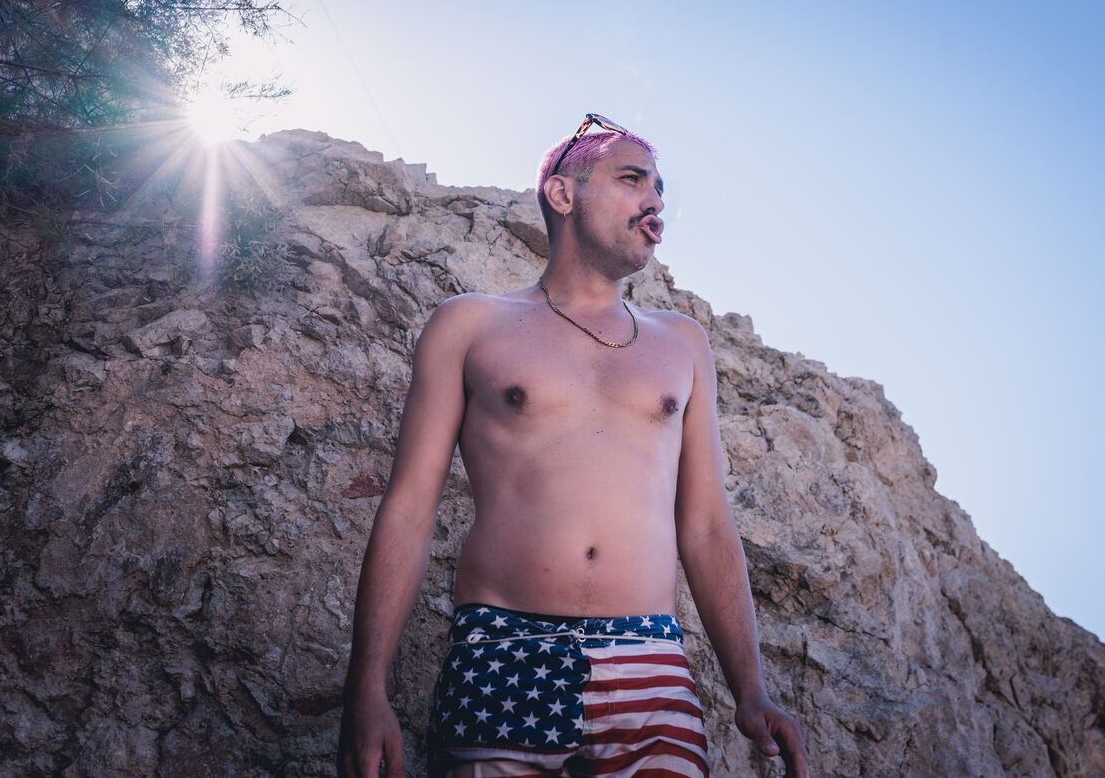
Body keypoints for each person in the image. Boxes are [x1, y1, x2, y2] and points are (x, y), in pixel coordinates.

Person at [338, 115, 808, 778]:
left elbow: (706, 526)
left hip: (651, 661)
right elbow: (410, 509)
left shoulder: (682, 343)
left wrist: (750, 689)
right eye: (632, 179)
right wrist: (366, 690)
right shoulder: (470, 324)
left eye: (660, 188)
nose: (655, 200)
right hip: (502, 651)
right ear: (562, 194)